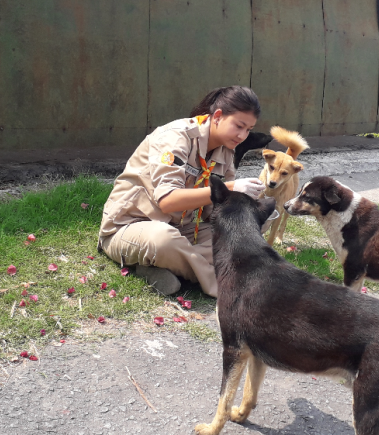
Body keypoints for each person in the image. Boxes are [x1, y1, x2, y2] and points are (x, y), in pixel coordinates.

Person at [99, 86, 266, 298]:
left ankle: (164, 266)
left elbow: (215, 213)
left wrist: (247, 205)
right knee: (163, 240)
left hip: (184, 229)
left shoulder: (226, 150)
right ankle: (221, 284)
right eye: (239, 126)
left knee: (244, 233)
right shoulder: (176, 138)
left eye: (249, 129)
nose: (242, 136)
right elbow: (168, 202)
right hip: (131, 227)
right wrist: (229, 189)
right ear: (217, 116)